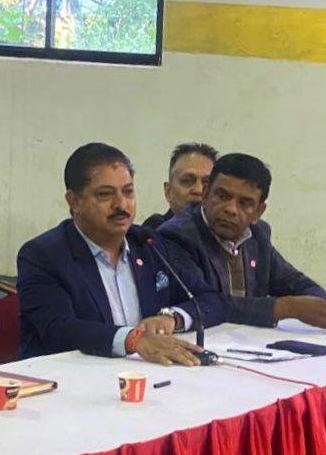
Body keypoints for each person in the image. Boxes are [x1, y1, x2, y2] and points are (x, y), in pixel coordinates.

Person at [17, 143, 225, 365]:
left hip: (145, 374)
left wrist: (172, 317)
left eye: (128, 192)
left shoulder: (148, 243)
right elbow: (59, 329)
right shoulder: (44, 255)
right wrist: (134, 340)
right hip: (68, 376)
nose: (121, 204)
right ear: (74, 201)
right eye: (105, 195)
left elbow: (211, 300)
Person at [158, 153, 326, 328]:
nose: (231, 209)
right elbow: (209, 303)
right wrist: (287, 308)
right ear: (205, 195)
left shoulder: (257, 234)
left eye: (244, 203)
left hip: (249, 345)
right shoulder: (176, 236)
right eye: (222, 196)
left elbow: (293, 281)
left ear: (258, 211)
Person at [142, 142, 218, 229]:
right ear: (168, 192)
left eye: (206, 183)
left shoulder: (222, 233)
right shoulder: (155, 230)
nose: (199, 190)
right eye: (187, 181)